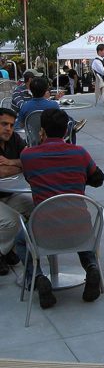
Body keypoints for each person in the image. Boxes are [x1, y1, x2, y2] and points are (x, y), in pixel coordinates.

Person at [18, 108, 104, 310]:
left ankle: (38, 278)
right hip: (81, 231)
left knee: (20, 241)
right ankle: (91, 267)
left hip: (43, 233)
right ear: (67, 130)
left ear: (42, 131)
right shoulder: (80, 153)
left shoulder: (28, 156)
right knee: (76, 224)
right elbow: (99, 179)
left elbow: (30, 178)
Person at [0, 108, 33, 276]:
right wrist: (18, 166)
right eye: (4, 124)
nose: (8, 129)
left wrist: (10, 162)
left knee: (36, 206)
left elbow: (30, 159)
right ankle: (2, 253)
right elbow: (1, 173)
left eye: (12, 125)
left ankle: (11, 248)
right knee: (13, 220)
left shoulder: (14, 138)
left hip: (8, 195)